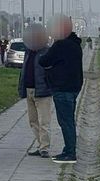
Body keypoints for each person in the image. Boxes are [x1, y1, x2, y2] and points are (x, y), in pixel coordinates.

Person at [39, 16, 82, 164]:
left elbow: (44, 61)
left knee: (66, 121)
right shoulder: (75, 44)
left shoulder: (60, 45)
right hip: (74, 87)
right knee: (69, 120)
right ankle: (69, 149)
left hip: (62, 87)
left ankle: (70, 153)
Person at [18, 24, 52, 157]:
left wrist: (49, 85)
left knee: (44, 121)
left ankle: (45, 147)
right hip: (29, 90)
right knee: (33, 120)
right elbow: (24, 71)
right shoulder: (28, 52)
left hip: (42, 91)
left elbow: (51, 71)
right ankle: (40, 144)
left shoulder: (46, 51)